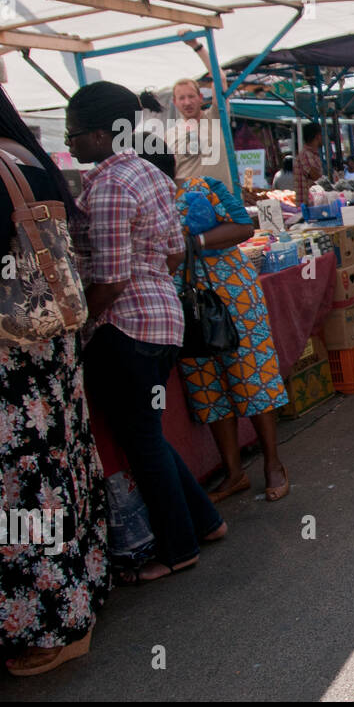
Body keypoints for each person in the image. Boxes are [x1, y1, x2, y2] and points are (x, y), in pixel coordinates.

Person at [0, 63, 110, 676]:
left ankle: (47, 627)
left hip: (0, 362)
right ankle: (80, 596)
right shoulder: (25, 156)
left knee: (10, 493)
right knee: (58, 469)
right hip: (45, 351)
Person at [67, 82, 226, 585]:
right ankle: (206, 521)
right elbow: (176, 251)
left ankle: (178, 550)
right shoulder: (149, 173)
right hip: (160, 323)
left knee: (142, 441)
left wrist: (78, 326)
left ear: (98, 134)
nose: (69, 145)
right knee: (149, 435)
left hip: (126, 326)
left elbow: (111, 280)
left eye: (73, 135)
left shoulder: (110, 185)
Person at [146, 158, 292, 503]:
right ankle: (234, 472)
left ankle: (273, 464)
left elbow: (243, 228)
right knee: (205, 382)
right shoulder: (141, 204)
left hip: (231, 294)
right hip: (182, 301)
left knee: (250, 374)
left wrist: (192, 242)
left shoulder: (203, 187)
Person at [165, 36, 236, 193]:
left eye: (191, 96)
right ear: (175, 102)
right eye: (182, 98)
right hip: (189, 208)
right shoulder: (169, 135)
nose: (187, 102)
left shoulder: (216, 117)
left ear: (200, 98)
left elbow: (220, 79)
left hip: (222, 204)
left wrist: (196, 46)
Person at [295, 123, 324, 202]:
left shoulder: (312, 154)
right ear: (317, 136)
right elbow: (316, 177)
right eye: (322, 134)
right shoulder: (306, 154)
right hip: (307, 204)